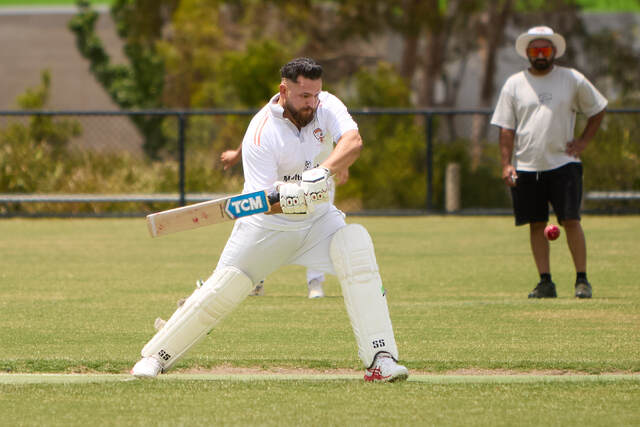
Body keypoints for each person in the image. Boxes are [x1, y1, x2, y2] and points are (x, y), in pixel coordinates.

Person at [132, 57, 409, 382]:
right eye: (304, 96)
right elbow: (261, 203)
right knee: (223, 288)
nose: (312, 103)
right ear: (283, 90)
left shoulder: (327, 104)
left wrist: (322, 173)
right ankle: (155, 357)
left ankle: (381, 359)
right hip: (266, 229)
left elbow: (353, 142)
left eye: (315, 94)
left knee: (356, 246)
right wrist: (293, 196)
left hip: (320, 223)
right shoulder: (261, 133)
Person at [491, 26, 607, 299]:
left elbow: (598, 109)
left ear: (554, 51)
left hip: (564, 163)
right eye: (535, 50)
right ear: (528, 54)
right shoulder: (514, 84)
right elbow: (506, 129)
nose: (540, 54)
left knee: (570, 220)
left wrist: (583, 142)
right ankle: (545, 281)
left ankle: (582, 280)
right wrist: (506, 164)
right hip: (527, 165)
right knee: (535, 223)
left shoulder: (571, 79)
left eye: (545, 49)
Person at [220, 141, 349, 299]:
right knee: (262, 224)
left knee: (321, 227)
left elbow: (344, 135)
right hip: (283, 175)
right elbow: (256, 134)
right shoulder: (274, 120)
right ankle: (254, 278)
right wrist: (237, 153)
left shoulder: (326, 116)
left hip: (319, 179)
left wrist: (343, 162)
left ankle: (315, 282)